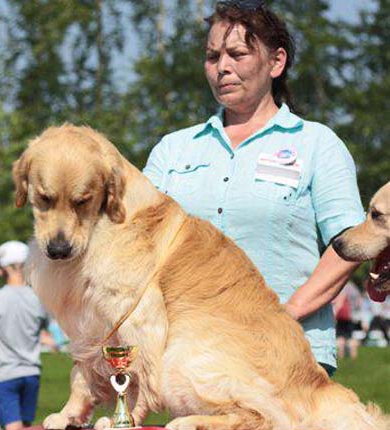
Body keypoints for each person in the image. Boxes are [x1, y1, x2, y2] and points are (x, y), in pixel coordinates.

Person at [143, 0, 365, 375]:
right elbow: (137, 241)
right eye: (212, 57)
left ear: (276, 62)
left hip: (289, 353)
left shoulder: (316, 144)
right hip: (194, 356)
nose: (222, 67)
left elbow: (350, 244)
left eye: (237, 54)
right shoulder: (173, 149)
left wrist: (285, 314)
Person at [0, 241, 49, 430]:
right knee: (26, 428)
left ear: (1, 271)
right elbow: (45, 331)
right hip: (32, 372)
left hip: (5, 373)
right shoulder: (39, 298)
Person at [332, 280, 363, 360]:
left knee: (340, 337)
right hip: (351, 316)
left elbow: (340, 302)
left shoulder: (342, 286)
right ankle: (354, 358)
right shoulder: (353, 286)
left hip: (342, 316)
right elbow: (359, 301)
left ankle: (341, 358)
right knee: (350, 337)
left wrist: (334, 315)